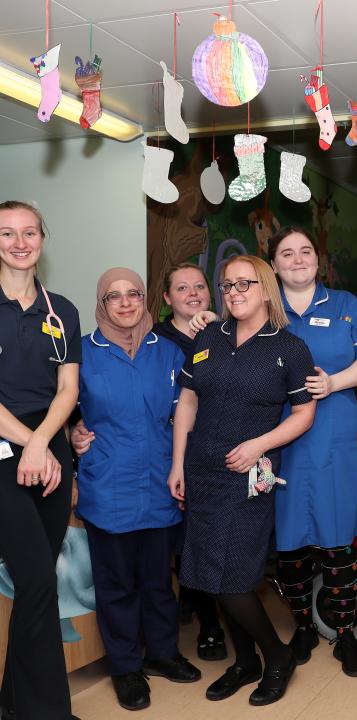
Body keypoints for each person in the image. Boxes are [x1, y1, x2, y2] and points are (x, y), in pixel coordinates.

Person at [168, 255, 316, 707]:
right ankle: (245, 662)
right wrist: (177, 464)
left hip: (248, 475)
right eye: (227, 285)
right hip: (202, 470)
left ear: (266, 288)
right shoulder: (208, 336)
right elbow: (188, 401)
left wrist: (260, 444)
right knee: (209, 577)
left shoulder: (290, 347)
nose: (234, 293)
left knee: (232, 579)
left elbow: (305, 414)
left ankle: (276, 657)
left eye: (244, 284)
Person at [70, 268, 200, 711]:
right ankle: (125, 668)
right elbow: (59, 405)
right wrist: (73, 431)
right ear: (101, 304)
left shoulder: (168, 353)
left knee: (159, 581)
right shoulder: (83, 353)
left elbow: (189, 410)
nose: (125, 303)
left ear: (147, 299)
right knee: (117, 585)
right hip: (109, 486)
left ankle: (163, 654)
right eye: (114, 296)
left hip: (162, 482)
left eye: (134, 294)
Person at [267, 227, 357, 677]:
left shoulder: (345, 305)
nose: (298, 260)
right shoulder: (263, 309)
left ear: (319, 259)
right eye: (287, 254)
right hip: (279, 439)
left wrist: (334, 383)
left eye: (306, 251)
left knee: (336, 541)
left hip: (333, 434)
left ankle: (345, 632)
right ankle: (302, 626)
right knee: (290, 544)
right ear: (273, 265)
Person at [0, 201, 81, 720]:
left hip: (49, 447)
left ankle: (16, 704)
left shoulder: (62, 310)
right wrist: (31, 444)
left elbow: (68, 388)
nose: (20, 242)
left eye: (30, 232)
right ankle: (44, 712)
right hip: (5, 448)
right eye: (7, 233)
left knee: (40, 582)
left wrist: (43, 444)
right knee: (34, 580)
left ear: (43, 240)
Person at [151, 263, 227, 662]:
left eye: (199, 286)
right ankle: (206, 621)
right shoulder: (154, 340)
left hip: (212, 449)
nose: (193, 293)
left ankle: (209, 617)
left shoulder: (225, 333)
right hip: (167, 449)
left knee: (205, 539)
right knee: (178, 541)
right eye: (182, 288)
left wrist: (214, 327)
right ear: (167, 298)